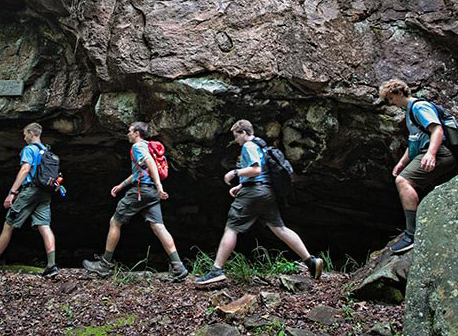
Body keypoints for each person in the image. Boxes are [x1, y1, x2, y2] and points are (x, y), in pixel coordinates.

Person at [194, 120, 324, 286]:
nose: (236, 140)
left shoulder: (248, 146)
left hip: (253, 193)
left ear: (243, 133)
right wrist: (241, 185)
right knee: (280, 229)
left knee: (231, 228)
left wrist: (234, 173)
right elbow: (261, 173)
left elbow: (256, 170)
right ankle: (311, 261)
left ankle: (216, 270)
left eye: (236, 136)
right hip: (265, 192)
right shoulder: (261, 146)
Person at [82, 122, 188, 282]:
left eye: (130, 131)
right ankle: (178, 267)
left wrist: (160, 187)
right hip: (151, 192)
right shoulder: (147, 146)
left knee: (115, 222)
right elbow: (140, 171)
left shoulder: (138, 147)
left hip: (143, 191)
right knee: (158, 227)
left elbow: (150, 164)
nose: (128, 134)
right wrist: (121, 185)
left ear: (137, 133)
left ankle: (104, 265)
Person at [379, 79, 458, 254]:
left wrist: (431, 153)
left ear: (399, 93)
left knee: (403, 181)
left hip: (440, 152)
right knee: (413, 182)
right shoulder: (410, 112)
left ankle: (411, 235)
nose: (391, 103)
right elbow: (414, 141)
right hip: (427, 151)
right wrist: (401, 163)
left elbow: (437, 130)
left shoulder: (418, 107)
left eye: (390, 98)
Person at [0, 123, 58, 277]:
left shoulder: (29, 149)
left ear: (32, 133)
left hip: (30, 190)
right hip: (45, 192)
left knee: (8, 225)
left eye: (25, 134)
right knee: (44, 226)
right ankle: (51, 266)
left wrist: (12, 192)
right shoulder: (46, 150)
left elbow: (25, 169)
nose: (24, 138)